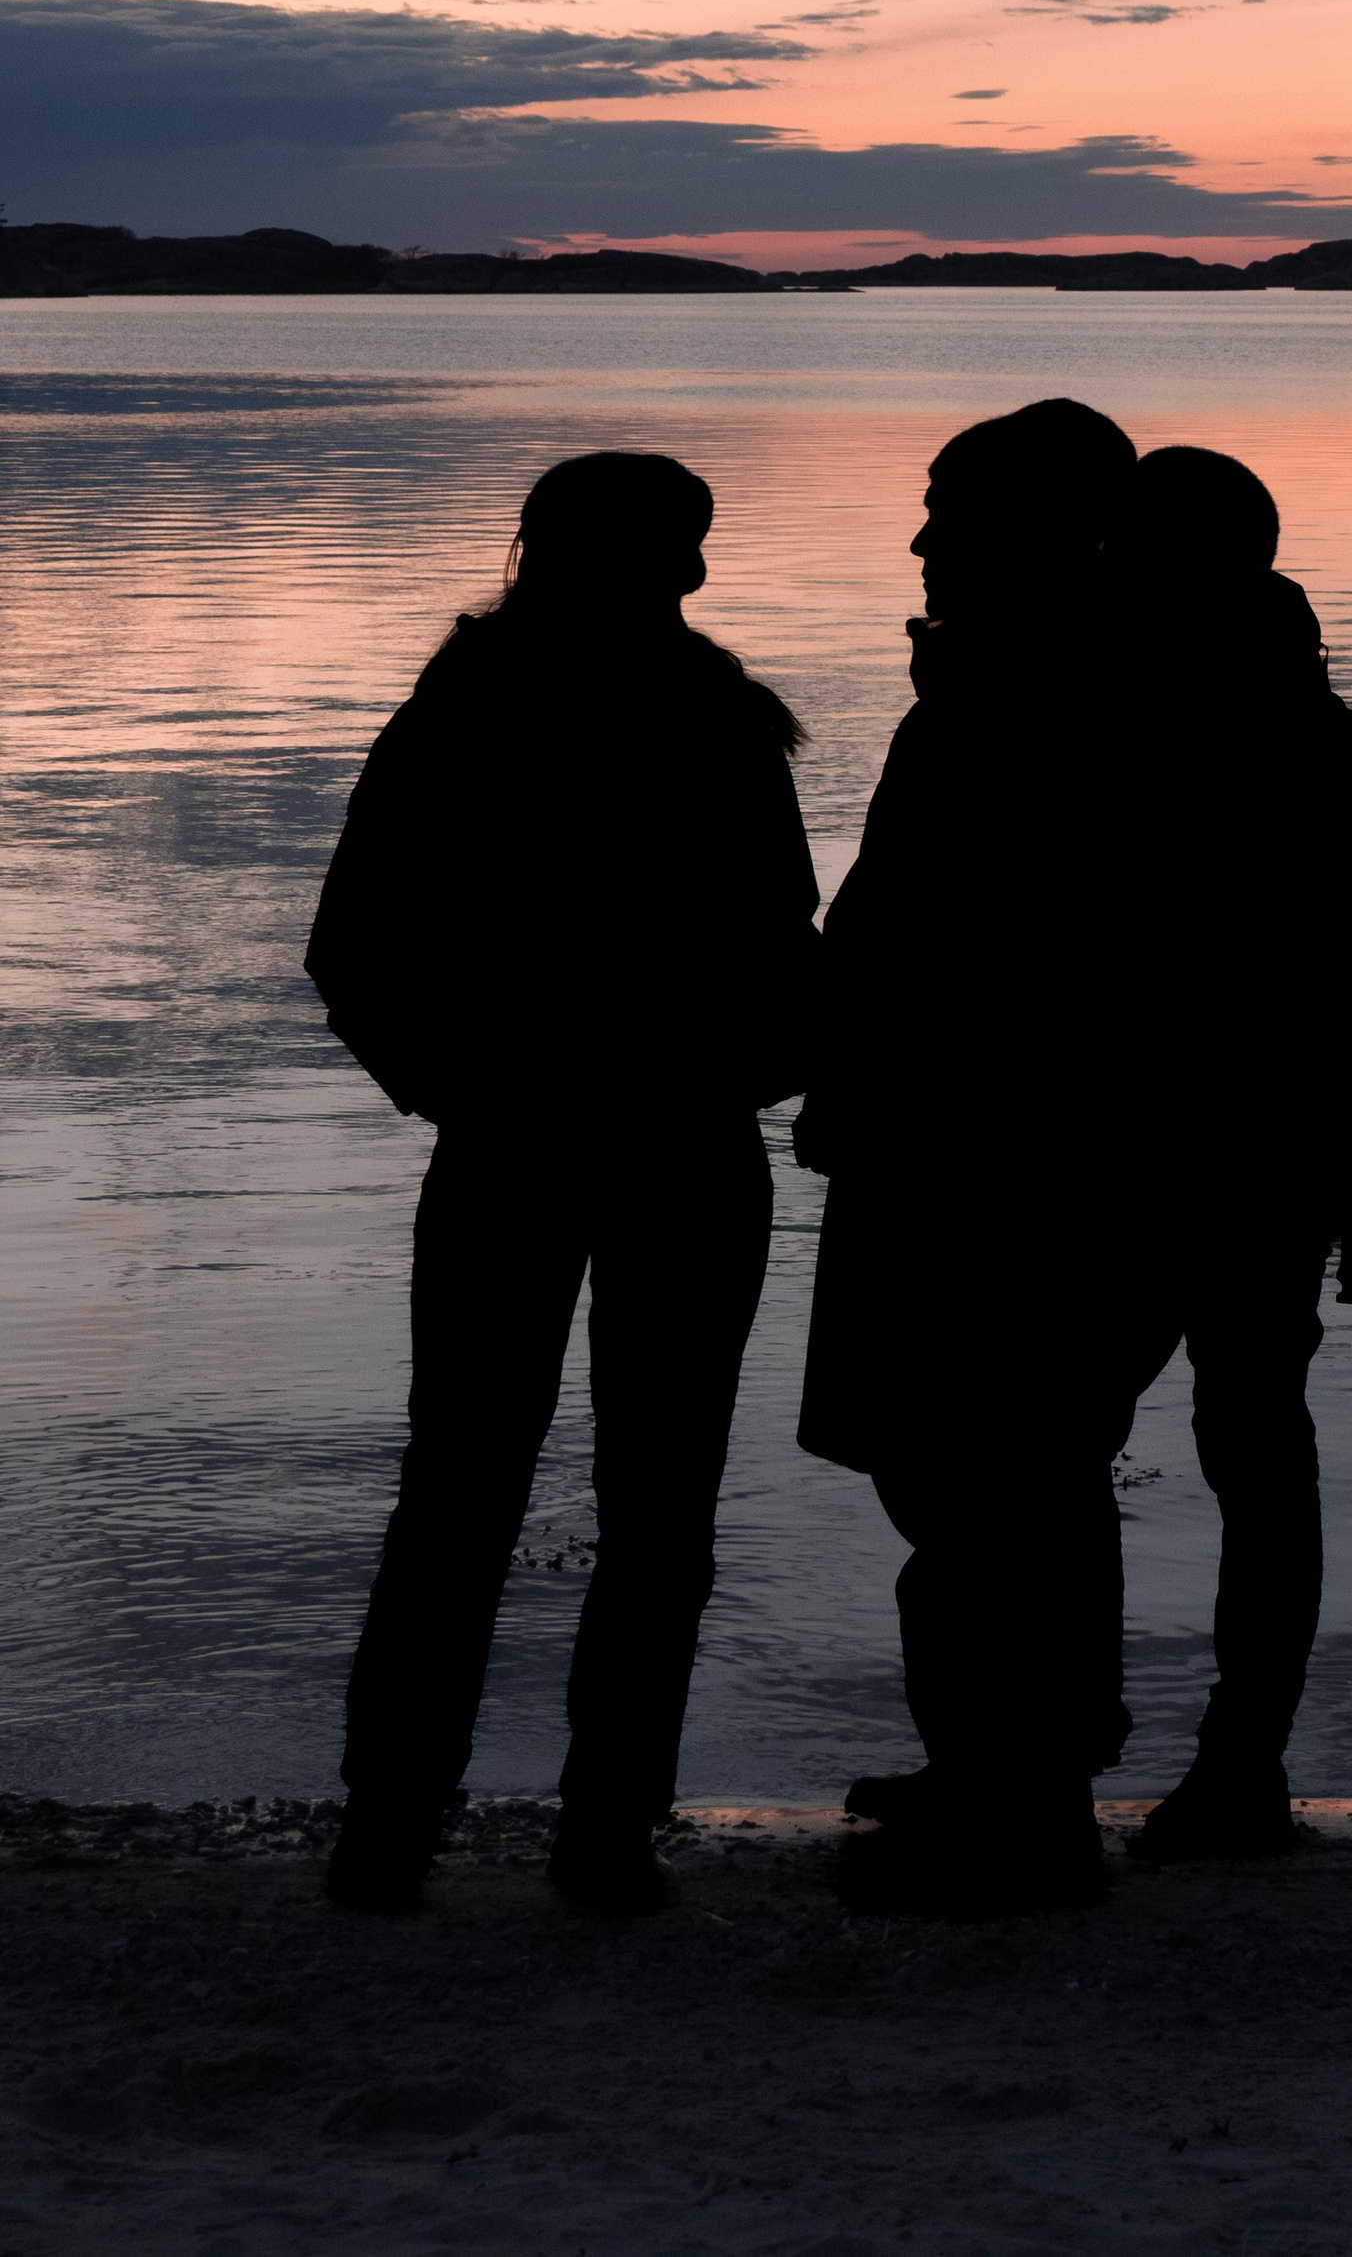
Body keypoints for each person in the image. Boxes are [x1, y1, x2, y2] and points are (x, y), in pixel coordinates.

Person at [794, 412, 1352, 1908]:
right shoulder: (1295, 730)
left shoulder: (1080, 710)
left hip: (1136, 1160)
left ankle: (1052, 1783)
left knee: (1033, 1460)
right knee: (1162, 1455)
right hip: (1234, 1155)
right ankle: (1140, 1764)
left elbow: (994, 941)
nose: (922, 549)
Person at [308, 451, 820, 1918]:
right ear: (677, 567)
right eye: (685, 548)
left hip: (542, 1149)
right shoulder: (710, 722)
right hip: (637, 1149)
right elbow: (793, 953)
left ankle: (409, 1829)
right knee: (641, 1503)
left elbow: (355, 950)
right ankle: (580, 1834)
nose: (697, 574)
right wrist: (742, 1070)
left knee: (471, 1494)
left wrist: (463, 1088)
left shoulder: (468, 713)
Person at [795, 396, 1144, 1915]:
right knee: (1001, 1476)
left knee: (989, 1471)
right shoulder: (1016, 678)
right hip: (964, 1135)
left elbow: (982, 937)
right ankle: (1009, 1772)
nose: (922, 536)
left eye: (950, 509)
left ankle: (1026, 1804)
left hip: (994, 1154)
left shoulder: (1047, 687)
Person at [1104, 444, 1352, 1864]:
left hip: (1174, 1146)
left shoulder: (1125, 736)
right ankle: (1228, 1761)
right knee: (1250, 1445)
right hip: (1283, 1146)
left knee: (1097, 1438)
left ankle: (1136, 1756)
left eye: (1127, 548)